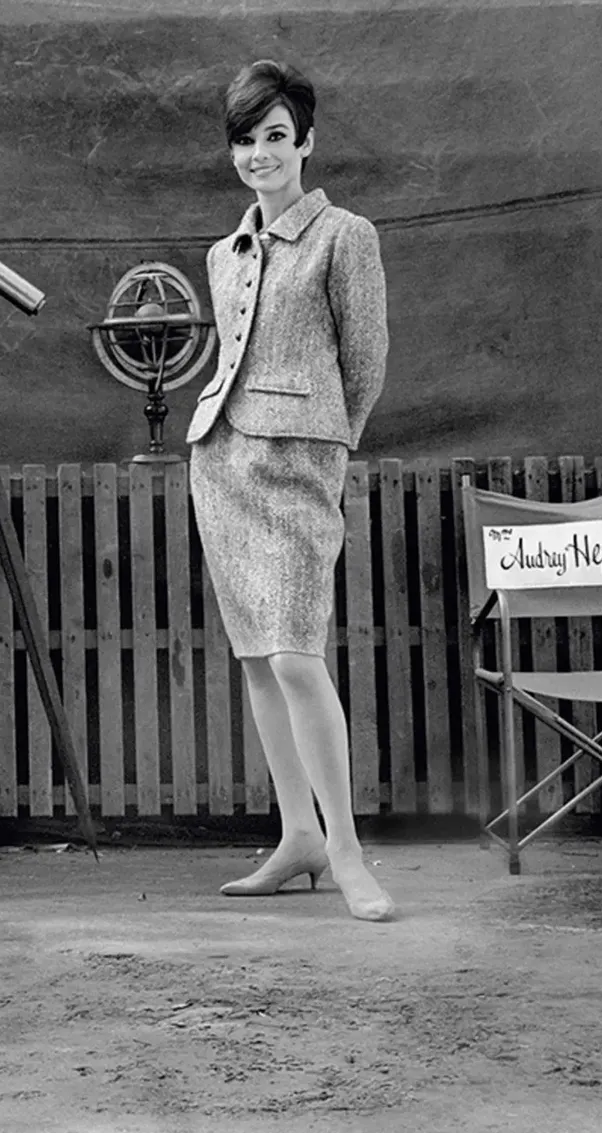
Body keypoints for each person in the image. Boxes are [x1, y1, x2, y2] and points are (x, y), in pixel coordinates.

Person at [187, 61, 394, 921]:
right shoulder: (220, 253)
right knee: (259, 665)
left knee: (296, 656)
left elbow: (366, 364)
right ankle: (297, 835)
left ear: (306, 142)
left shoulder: (347, 236)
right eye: (247, 139)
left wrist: (327, 447)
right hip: (221, 465)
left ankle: (345, 849)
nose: (261, 153)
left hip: (302, 466)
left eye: (277, 136)